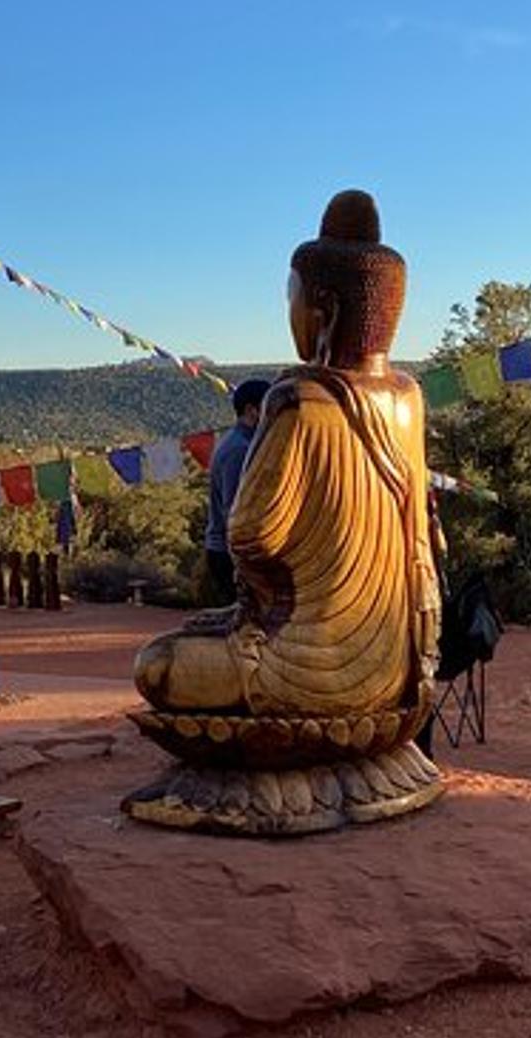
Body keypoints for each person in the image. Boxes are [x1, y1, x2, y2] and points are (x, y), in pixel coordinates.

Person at [134, 190, 436, 716]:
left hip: (300, 667)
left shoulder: (298, 399)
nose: (290, 312)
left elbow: (253, 535)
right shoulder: (408, 396)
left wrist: (246, 609)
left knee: (156, 666)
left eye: (293, 298)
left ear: (326, 309)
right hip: (400, 668)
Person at [203, 377, 272, 600]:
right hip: (230, 554)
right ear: (252, 410)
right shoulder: (239, 450)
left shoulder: (245, 443)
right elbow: (234, 510)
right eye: (270, 408)